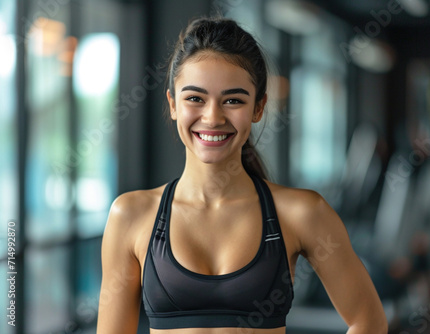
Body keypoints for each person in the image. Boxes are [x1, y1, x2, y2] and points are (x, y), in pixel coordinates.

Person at [97, 16, 387, 334]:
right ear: (173, 105)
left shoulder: (301, 213)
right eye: (195, 98)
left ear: (259, 108)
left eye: (233, 100)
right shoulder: (131, 216)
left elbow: (368, 321)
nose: (212, 117)